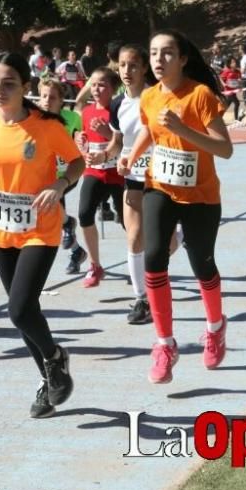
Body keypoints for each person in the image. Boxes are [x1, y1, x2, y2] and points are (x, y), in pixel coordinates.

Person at [0, 51, 85, 418]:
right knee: (26, 311)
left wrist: (61, 184)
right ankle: (51, 382)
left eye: (8, 83)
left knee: (17, 311)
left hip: (39, 229)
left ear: (25, 87)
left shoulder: (46, 127)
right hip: (0, 232)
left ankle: (55, 357)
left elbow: (77, 162)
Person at [122, 29, 233, 384]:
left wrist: (185, 130)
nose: (158, 60)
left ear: (183, 58)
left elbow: (224, 148)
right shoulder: (150, 97)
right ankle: (164, 344)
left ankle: (215, 327)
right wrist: (131, 157)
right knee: (154, 256)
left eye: (167, 53)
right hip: (160, 188)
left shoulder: (200, 96)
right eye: (154, 53)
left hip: (200, 195)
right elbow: (149, 131)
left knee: (202, 264)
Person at [109, 45, 158, 324]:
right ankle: (142, 300)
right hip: (133, 176)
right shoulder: (117, 104)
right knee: (134, 236)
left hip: (161, 175)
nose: (127, 70)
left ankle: (178, 237)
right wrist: (103, 154)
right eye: (122, 65)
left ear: (144, 68)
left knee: (158, 243)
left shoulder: (157, 97)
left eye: (133, 65)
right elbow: (117, 144)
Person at [75, 67, 126, 288]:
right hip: (94, 172)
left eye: (102, 84)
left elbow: (125, 144)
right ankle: (95, 265)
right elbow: (84, 137)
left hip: (120, 174)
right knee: (85, 214)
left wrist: (108, 133)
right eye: (93, 84)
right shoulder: (86, 112)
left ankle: (144, 263)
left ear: (113, 88)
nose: (96, 89)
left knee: (128, 222)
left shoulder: (120, 109)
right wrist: (81, 141)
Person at [37, 79, 88, 274]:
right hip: (43, 175)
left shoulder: (72, 118)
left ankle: (68, 224)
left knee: (53, 205)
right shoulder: (34, 118)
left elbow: (82, 136)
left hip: (66, 174)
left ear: (60, 101)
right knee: (54, 217)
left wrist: (83, 142)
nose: (47, 101)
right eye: (43, 96)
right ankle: (77, 251)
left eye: (52, 97)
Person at [219, 56, 243, 122]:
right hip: (228, 91)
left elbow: (239, 80)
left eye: (235, 62)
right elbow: (220, 77)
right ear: (229, 64)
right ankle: (236, 119)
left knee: (226, 105)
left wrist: (239, 83)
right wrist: (223, 84)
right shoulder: (227, 71)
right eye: (232, 62)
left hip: (234, 91)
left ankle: (219, 117)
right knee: (237, 103)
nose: (234, 63)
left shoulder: (238, 72)